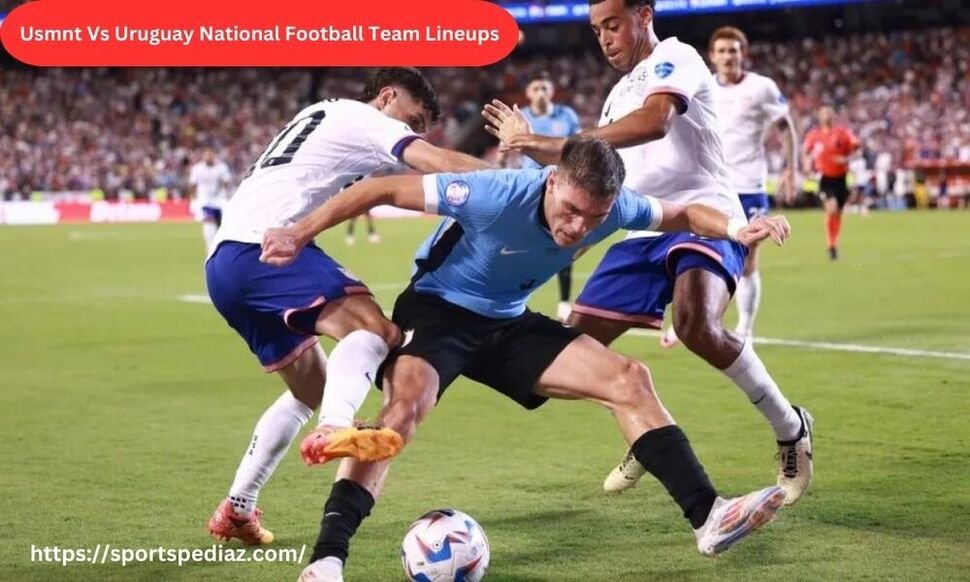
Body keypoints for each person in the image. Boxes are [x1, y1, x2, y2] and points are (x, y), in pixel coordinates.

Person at [260, 137, 792, 582]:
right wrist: (299, 232)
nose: (579, 228)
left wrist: (732, 229)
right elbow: (378, 188)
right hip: (438, 311)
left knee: (630, 378)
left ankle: (710, 517)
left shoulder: (615, 206)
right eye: (571, 211)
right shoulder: (494, 193)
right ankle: (327, 560)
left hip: (508, 320)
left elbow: (680, 213)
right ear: (552, 180)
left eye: (595, 217)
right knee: (402, 416)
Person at [482, 0, 813, 505]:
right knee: (564, 355)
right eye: (596, 30)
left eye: (612, 25)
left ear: (644, 14)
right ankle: (650, 431)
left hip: (702, 214)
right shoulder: (614, 98)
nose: (605, 38)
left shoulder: (678, 57)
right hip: (641, 229)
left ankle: (790, 427)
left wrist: (548, 140)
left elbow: (656, 122)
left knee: (695, 323)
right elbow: (602, 182)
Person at [204, 67, 491, 546]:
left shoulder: (324, 114)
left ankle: (238, 507)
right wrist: (532, 181)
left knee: (308, 391)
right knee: (376, 330)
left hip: (225, 263)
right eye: (412, 118)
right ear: (387, 97)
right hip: (267, 249)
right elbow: (434, 160)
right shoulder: (365, 119)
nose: (412, 130)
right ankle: (336, 428)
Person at [660, 26, 799, 344]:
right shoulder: (702, 86)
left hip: (749, 183)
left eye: (733, 50)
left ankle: (745, 328)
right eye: (721, 51)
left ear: (742, 53)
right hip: (710, 185)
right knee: (694, 251)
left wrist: (792, 169)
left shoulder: (762, 87)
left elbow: (786, 127)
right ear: (712, 55)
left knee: (747, 257)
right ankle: (691, 318)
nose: (727, 56)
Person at [519, 71, 583, 321]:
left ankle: (564, 301)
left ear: (552, 91)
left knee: (564, 242)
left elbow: (577, 146)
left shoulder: (566, 115)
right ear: (528, 93)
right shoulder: (522, 116)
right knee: (522, 245)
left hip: (560, 189)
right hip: (531, 189)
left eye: (545, 88)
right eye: (536, 88)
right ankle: (516, 299)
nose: (541, 93)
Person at [803, 105, 861, 260]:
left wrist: (846, 159)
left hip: (841, 178)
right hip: (824, 178)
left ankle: (834, 244)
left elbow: (856, 149)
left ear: (833, 116)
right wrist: (807, 165)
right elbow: (806, 153)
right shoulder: (814, 135)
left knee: (838, 213)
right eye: (823, 113)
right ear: (819, 117)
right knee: (831, 208)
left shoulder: (843, 133)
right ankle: (830, 244)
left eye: (829, 113)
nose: (826, 116)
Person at [188, 149, 232, 253]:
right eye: (206, 156)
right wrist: (193, 197)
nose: (208, 158)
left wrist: (227, 194)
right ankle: (210, 247)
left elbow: (226, 181)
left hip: (219, 199)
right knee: (208, 221)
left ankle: (219, 244)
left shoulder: (221, 167)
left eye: (210, 155)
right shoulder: (197, 169)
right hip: (204, 200)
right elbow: (193, 184)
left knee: (220, 224)